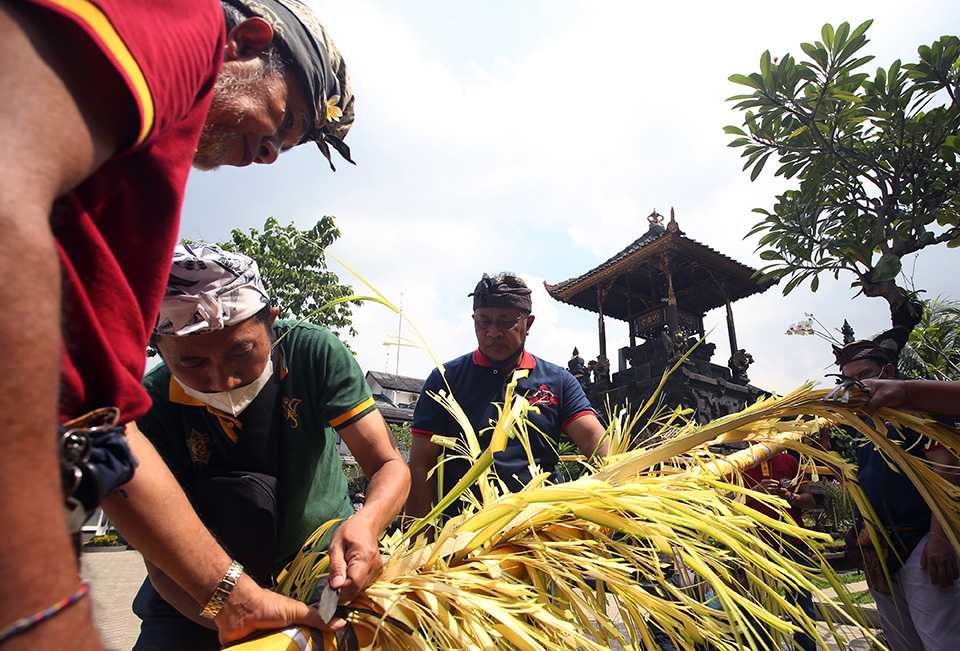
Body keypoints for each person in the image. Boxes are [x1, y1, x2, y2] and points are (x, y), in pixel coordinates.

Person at [0, 1, 354, 647]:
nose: (269, 157)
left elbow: (101, 425)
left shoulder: (117, 179)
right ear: (246, 41)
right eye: (282, 122)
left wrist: (234, 597)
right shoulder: (179, 25)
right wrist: (39, 606)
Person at [131, 244, 409, 650]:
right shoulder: (149, 406)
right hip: (201, 592)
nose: (222, 379)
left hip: (317, 569)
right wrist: (239, 618)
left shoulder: (312, 353)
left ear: (272, 322)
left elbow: (388, 464)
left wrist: (367, 522)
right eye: (192, 363)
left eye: (240, 351)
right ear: (158, 343)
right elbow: (159, 561)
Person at [406, 273, 608, 519]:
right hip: (460, 534)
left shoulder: (559, 382)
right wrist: (418, 538)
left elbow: (593, 440)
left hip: (538, 531)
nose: (493, 332)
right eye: (484, 321)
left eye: (505, 322)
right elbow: (420, 464)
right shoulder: (445, 380)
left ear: (528, 323)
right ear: (473, 320)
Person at [834, 338, 960, 651]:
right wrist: (861, 529)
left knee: (942, 640)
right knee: (902, 642)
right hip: (880, 548)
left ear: (888, 371)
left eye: (865, 376)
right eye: (850, 381)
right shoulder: (864, 427)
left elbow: (948, 477)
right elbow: (868, 483)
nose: (858, 386)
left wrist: (940, 538)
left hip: (923, 544)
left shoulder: (922, 415)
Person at [742, 451, 818, 651]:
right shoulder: (740, 463)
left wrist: (790, 496)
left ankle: (806, 647)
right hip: (757, 544)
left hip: (793, 543)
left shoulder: (789, 461)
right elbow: (727, 503)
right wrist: (756, 491)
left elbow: (810, 500)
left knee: (801, 602)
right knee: (760, 604)